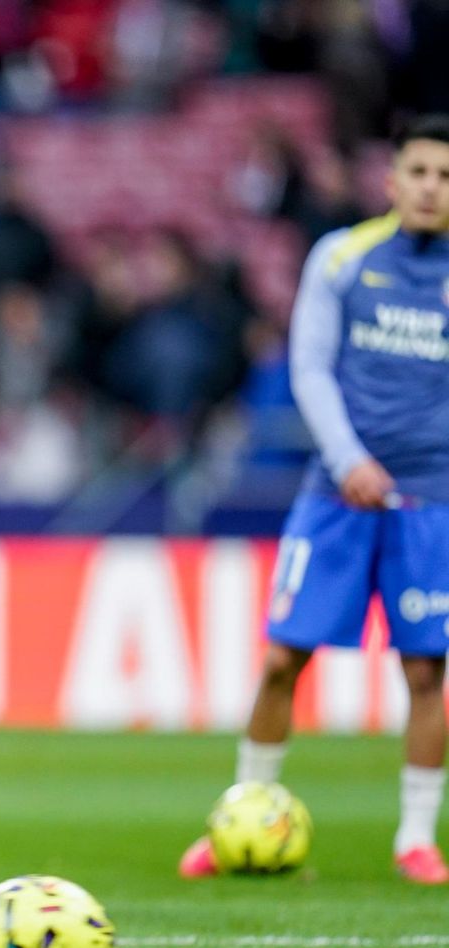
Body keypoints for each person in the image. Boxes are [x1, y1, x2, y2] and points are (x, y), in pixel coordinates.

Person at [179, 115, 449, 885]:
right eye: (421, 172)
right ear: (392, 181)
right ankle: (239, 821)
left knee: (427, 673)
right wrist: (347, 458)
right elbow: (310, 368)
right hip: (338, 494)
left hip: (432, 498)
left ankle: (416, 839)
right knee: (279, 659)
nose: (433, 187)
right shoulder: (343, 257)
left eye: (447, 175)